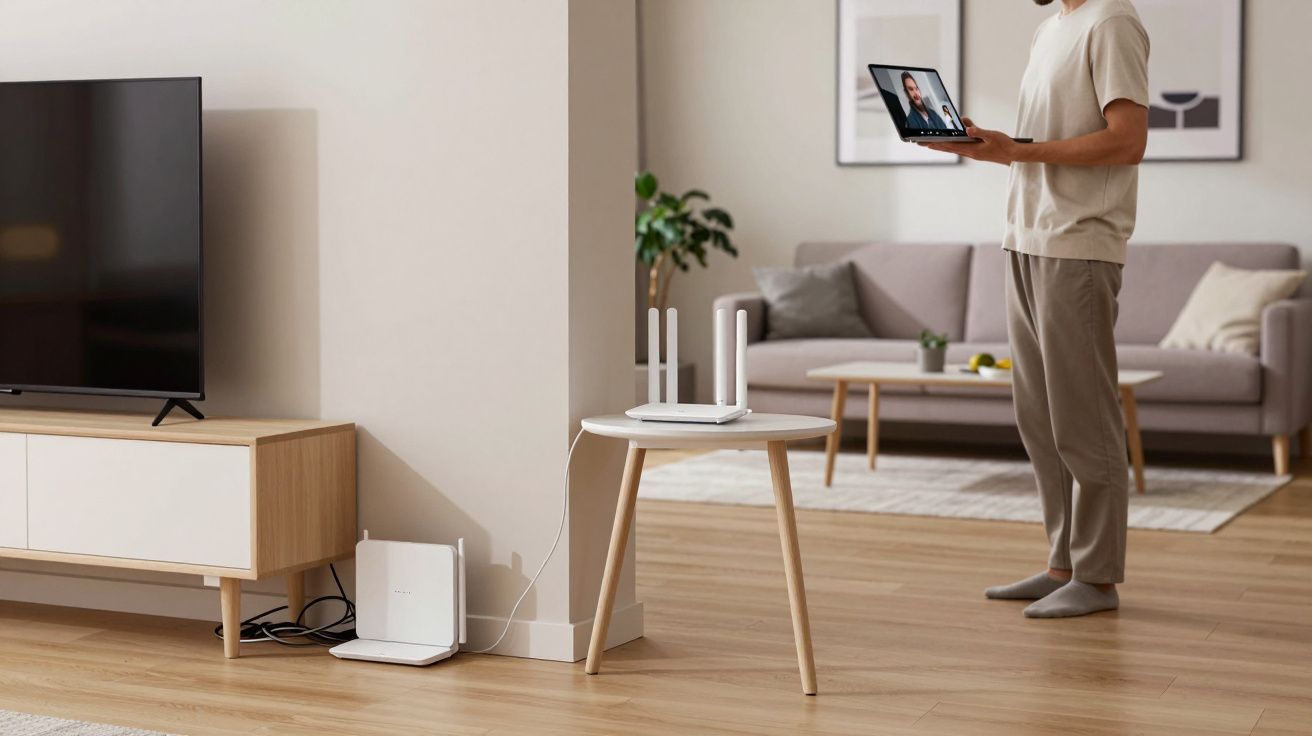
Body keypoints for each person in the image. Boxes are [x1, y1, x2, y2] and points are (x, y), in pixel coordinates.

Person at [922, 0, 1149, 618]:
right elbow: (1047, 143)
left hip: (1077, 243)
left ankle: (1098, 578)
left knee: (1084, 418)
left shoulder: (1111, 22)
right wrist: (994, 147)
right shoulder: (1051, 29)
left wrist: (1021, 153)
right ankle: (1063, 564)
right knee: (1041, 418)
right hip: (1024, 236)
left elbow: (1127, 142)